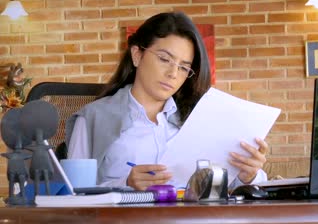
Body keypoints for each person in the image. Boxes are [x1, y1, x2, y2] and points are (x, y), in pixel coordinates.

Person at [65, 12, 268, 191]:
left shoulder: (198, 119)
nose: (173, 74)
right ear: (137, 55)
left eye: (183, 67)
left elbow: (226, 187)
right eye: (164, 59)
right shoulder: (93, 118)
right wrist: (125, 183)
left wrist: (248, 175)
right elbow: (72, 195)